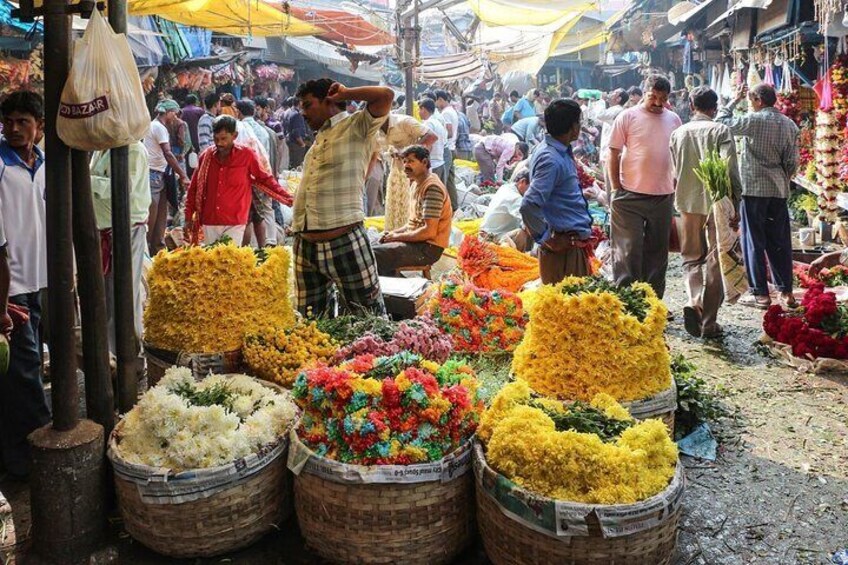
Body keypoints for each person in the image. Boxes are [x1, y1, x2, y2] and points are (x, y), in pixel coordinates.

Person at [291, 79, 394, 317]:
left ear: (329, 101)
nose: (303, 113)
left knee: (367, 320)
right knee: (311, 323)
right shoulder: (319, 137)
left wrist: (346, 93)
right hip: (305, 246)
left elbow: (385, 95)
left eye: (308, 105)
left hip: (344, 242)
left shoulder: (356, 125)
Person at [0, 91, 50, 478]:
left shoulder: (47, 164)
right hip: (11, 286)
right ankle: (29, 452)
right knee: (26, 368)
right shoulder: (0, 166)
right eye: (9, 121)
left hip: (41, 280)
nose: (14, 129)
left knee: (25, 368)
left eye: (23, 122)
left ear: (39, 127)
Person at [716, 83, 799, 309]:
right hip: (778, 190)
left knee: (753, 240)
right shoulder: (789, 124)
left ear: (759, 101)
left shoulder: (754, 120)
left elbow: (721, 123)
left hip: (754, 189)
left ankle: (761, 294)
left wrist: (734, 100)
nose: (750, 104)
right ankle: (786, 292)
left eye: (751, 100)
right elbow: (793, 162)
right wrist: (782, 178)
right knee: (779, 240)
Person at [670, 86, 743, 338]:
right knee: (715, 259)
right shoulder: (721, 130)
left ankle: (694, 300)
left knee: (691, 259)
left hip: (686, 204)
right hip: (717, 204)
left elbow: (673, 172)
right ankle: (709, 323)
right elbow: (730, 169)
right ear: (714, 108)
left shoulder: (678, 133)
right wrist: (737, 202)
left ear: (691, 105)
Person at [608, 74, 682, 298]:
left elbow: (678, 154)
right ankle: (627, 299)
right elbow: (613, 152)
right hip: (629, 195)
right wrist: (615, 187)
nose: (658, 103)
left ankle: (652, 301)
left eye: (663, 98)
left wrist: (676, 184)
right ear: (644, 94)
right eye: (653, 97)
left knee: (657, 252)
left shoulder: (674, 119)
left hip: (662, 195)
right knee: (627, 249)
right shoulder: (627, 116)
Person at [184, 115, 293, 245]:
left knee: (229, 260)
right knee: (212, 262)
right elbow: (194, 188)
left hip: (235, 220)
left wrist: (287, 198)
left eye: (224, 139)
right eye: (216, 139)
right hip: (210, 220)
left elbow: (265, 179)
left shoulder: (247, 155)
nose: (219, 143)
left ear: (234, 136)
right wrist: (188, 217)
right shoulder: (206, 157)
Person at [520, 99, 595, 283]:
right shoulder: (550, 158)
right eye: (579, 122)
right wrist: (548, 240)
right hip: (563, 251)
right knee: (568, 308)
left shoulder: (556, 150)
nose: (580, 126)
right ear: (573, 127)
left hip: (569, 247)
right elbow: (529, 204)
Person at [90, 141, 152, 351]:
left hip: (127, 229)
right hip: (105, 229)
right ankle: (112, 351)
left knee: (125, 294)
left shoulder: (133, 149)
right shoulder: (101, 148)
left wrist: (86, 181)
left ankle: (129, 352)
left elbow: (122, 186)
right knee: (108, 294)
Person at [373, 146, 452, 276]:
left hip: (428, 249)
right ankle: (394, 287)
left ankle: (393, 291)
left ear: (425, 162)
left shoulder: (432, 188)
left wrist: (397, 236)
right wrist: (391, 233)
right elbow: (412, 224)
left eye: (410, 161)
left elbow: (429, 231)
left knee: (374, 255)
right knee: (371, 245)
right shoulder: (416, 183)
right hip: (417, 243)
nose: (406, 165)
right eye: (404, 161)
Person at [144, 99, 189, 255]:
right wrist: (183, 175)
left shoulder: (154, 126)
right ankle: (147, 247)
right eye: (174, 114)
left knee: (161, 212)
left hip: (159, 174)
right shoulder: (159, 127)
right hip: (154, 173)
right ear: (168, 112)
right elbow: (168, 153)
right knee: (153, 213)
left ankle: (157, 247)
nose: (175, 117)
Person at [378, 113, 438, 231]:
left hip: (415, 176)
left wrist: (408, 154)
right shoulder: (377, 131)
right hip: (397, 175)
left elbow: (432, 137)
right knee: (398, 209)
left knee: (415, 208)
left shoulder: (404, 122)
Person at [237, 99, 278, 247]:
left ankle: (247, 248)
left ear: (238, 112)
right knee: (265, 209)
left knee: (248, 214)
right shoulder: (263, 129)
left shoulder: (240, 128)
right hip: (263, 173)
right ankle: (270, 241)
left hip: (247, 176)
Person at [481, 167, 533, 251]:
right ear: (522, 182)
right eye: (531, 188)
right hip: (493, 237)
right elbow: (529, 222)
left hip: (488, 232)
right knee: (524, 232)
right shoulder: (515, 198)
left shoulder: (506, 187)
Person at [596, 89, 628, 196]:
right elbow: (597, 120)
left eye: (614, 93)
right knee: (610, 184)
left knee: (611, 185)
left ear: (618, 99)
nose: (611, 93)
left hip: (610, 154)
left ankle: (612, 209)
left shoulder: (617, 109)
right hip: (608, 152)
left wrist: (601, 100)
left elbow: (599, 115)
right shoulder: (614, 110)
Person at [434, 90, 459, 209]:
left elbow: (449, 132)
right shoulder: (451, 111)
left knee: (442, 182)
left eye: (436, 101)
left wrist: (438, 136)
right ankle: (454, 207)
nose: (436, 104)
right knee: (449, 182)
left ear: (440, 100)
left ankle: (443, 210)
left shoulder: (446, 113)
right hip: (451, 148)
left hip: (447, 148)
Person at [417, 99, 448, 180]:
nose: (418, 112)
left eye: (419, 109)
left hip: (433, 165)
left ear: (423, 109)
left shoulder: (429, 123)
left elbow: (428, 144)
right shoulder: (437, 123)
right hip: (440, 163)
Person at [284, 97, 309, 169]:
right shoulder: (296, 114)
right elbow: (296, 132)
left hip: (289, 142)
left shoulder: (287, 112)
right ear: (300, 102)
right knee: (296, 167)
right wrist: (302, 144)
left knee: (291, 165)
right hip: (296, 144)